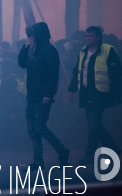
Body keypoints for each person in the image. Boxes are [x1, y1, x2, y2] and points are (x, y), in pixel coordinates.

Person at [18, 22, 69, 171]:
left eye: (33, 34)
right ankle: (38, 162)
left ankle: (62, 150)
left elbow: (52, 74)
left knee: (40, 128)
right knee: (32, 130)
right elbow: (22, 63)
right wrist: (25, 47)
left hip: (42, 96)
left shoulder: (49, 50)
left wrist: (48, 93)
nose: (31, 37)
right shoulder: (32, 49)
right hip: (32, 95)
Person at [67, 26, 122, 165]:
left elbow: (116, 74)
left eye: (91, 36)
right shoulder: (83, 52)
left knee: (93, 123)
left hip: (101, 93)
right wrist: (72, 88)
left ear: (98, 37)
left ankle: (89, 155)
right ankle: (113, 148)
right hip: (86, 93)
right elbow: (77, 71)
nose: (88, 38)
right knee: (93, 124)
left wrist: (116, 94)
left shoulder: (108, 50)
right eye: (86, 36)